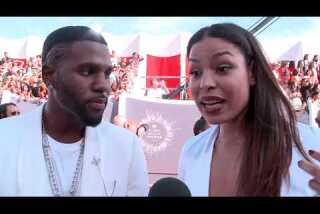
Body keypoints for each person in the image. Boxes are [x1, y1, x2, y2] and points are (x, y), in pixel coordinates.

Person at [0, 26, 148, 196]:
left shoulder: (126, 147)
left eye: (107, 74)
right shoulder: (4, 139)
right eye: (87, 71)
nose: (103, 86)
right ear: (49, 76)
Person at [178, 23, 320, 196]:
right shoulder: (191, 152)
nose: (205, 83)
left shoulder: (312, 145)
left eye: (223, 68)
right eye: (196, 72)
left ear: (252, 72)